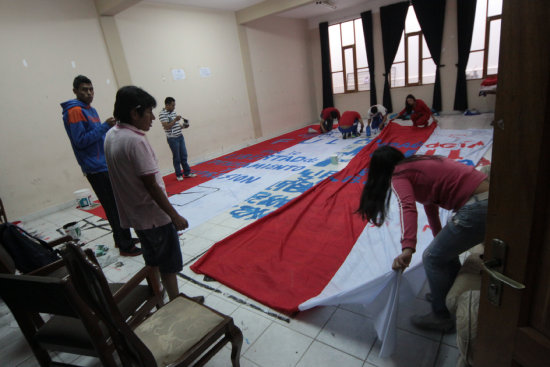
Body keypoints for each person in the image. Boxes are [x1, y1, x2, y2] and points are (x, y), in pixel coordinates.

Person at [357, 146, 489, 332]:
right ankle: (446, 293)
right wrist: (439, 238)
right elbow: (431, 208)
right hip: (486, 199)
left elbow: (407, 207)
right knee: (442, 252)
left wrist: (408, 248)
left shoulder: (398, 174)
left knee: (431, 258)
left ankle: (441, 316)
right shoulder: (417, 167)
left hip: (479, 205)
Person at [104, 86, 190, 301]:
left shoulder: (111, 135)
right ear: (135, 113)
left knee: (152, 260)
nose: (152, 118)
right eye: (149, 112)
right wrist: (174, 215)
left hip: (137, 216)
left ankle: (158, 299)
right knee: (169, 264)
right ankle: (176, 304)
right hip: (154, 217)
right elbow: (151, 186)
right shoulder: (136, 141)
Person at [61, 75, 141, 257]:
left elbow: (97, 138)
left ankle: (121, 238)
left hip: (103, 163)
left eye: (91, 89)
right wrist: (104, 126)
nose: (89, 93)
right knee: (113, 207)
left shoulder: (90, 109)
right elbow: (80, 141)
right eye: (84, 90)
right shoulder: (75, 111)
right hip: (95, 167)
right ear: (75, 91)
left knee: (115, 204)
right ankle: (125, 245)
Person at [159, 97, 196, 181]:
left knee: (184, 155)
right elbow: (166, 126)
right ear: (167, 105)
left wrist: (184, 126)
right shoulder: (162, 114)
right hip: (172, 139)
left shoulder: (173, 112)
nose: (174, 107)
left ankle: (187, 172)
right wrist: (175, 119)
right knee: (177, 157)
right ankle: (179, 175)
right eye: (172, 105)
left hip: (180, 136)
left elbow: (176, 125)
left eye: (174, 105)